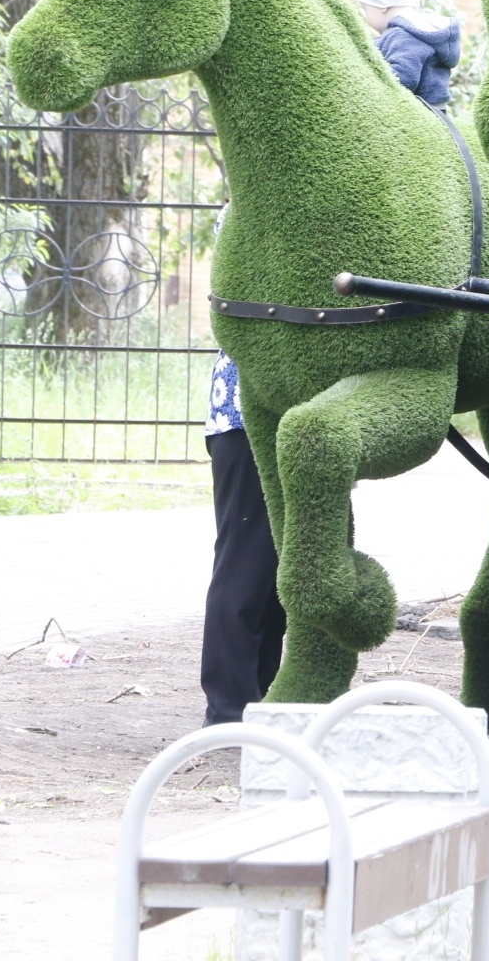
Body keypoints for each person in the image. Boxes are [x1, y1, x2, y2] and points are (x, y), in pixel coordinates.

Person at [200, 216, 286, 724]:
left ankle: (260, 698)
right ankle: (227, 708)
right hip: (242, 415)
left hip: (277, 412)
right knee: (245, 565)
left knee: (276, 568)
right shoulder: (245, 215)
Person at [355, 0, 462, 107]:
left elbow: (404, 77)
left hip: (426, 114)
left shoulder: (404, 36)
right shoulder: (411, 32)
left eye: (366, 9)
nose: (366, 16)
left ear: (382, 4)